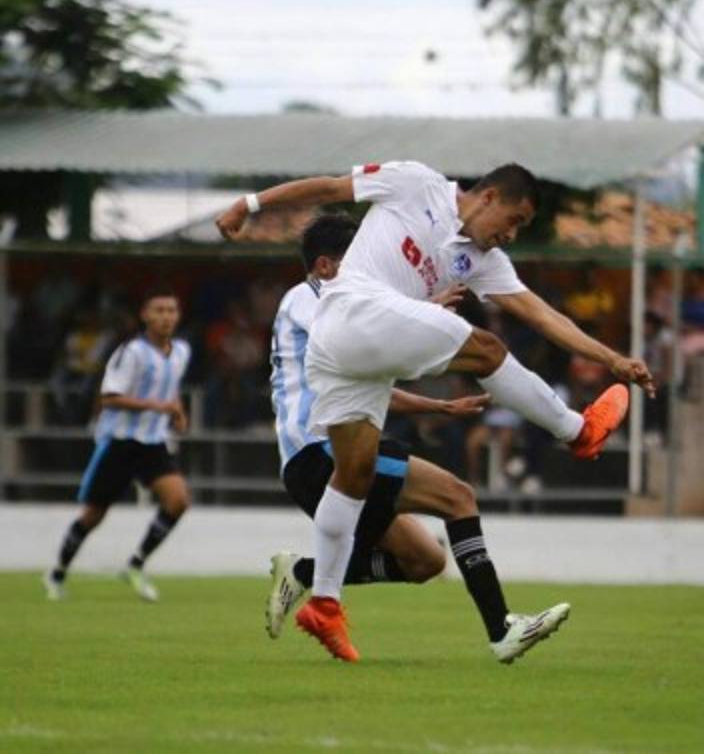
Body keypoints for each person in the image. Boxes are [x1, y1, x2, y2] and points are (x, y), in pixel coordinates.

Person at [218, 162, 654, 662]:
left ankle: (324, 602)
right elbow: (331, 187)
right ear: (489, 196)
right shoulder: (415, 183)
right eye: (514, 220)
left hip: (351, 356)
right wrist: (249, 204)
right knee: (487, 350)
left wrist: (611, 359)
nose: (511, 235)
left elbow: (539, 313)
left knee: (354, 476)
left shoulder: (483, 261)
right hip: (350, 314)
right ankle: (577, 430)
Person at [264, 213, 569, 663]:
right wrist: (422, 312)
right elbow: (371, 348)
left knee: (425, 560)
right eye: (356, 259)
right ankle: (503, 628)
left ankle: (305, 572)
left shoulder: (340, 314)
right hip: (322, 450)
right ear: (325, 266)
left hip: (330, 450)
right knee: (458, 497)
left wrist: (438, 405)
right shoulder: (307, 298)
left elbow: (367, 376)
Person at [43, 286, 193, 603]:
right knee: (94, 515)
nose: (166, 317)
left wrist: (178, 411)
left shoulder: (181, 351)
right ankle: (57, 573)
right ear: (145, 315)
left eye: (171, 310)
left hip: (153, 443)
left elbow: (170, 389)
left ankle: (135, 564)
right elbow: (110, 397)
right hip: (120, 442)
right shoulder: (131, 352)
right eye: (159, 310)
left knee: (178, 500)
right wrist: (158, 407)